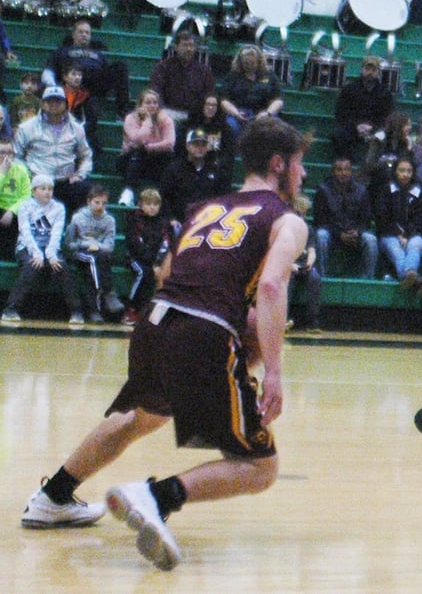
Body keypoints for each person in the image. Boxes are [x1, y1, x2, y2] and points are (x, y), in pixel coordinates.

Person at [17, 116, 308, 571]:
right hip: (203, 331)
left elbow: (167, 273)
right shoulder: (286, 219)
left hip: (155, 320)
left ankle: (52, 497)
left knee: (140, 416)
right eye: (299, 164)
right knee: (259, 467)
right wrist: (272, 369)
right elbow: (271, 289)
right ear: (278, 164)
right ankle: (155, 497)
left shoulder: (205, 207)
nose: (303, 174)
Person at [1, 174, 81, 323]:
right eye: (43, 188)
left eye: (50, 188)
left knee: (62, 267)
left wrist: (50, 255)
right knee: (32, 265)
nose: (47, 192)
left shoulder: (59, 208)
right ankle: (10, 308)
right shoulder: (25, 206)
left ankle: (76, 311)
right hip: (26, 246)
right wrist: (37, 253)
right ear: (33, 191)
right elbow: (25, 232)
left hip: (50, 247)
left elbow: (57, 234)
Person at [13, 85, 94, 213]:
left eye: (58, 101)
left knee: (87, 190)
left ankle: (75, 230)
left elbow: (86, 155)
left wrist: (80, 174)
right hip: (37, 180)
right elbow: (16, 156)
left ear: (65, 104)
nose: (54, 104)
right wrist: (28, 174)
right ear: (43, 104)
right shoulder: (27, 127)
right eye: (49, 101)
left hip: (66, 181)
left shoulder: (76, 128)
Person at [42, 18, 129, 116]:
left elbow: (106, 70)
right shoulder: (62, 51)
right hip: (73, 82)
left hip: (95, 84)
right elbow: (49, 71)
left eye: (87, 33)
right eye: (81, 32)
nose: (84, 35)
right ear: (73, 34)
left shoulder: (98, 53)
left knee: (120, 67)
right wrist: (54, 86)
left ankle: (123, 110)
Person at [66, 184, 126, 322]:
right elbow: (69, 245)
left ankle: (94, 310)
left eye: (103, 203)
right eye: (97, 202)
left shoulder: (110, 220)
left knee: (94, 267)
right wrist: (86, 244)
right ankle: (109, 293)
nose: (100, 206)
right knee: (94, 261)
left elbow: (109, 247)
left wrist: (97, 246)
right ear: (88, 201)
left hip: (99, 256)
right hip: (80, 253)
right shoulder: (78, 218)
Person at [313, 157, 379, 279]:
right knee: (321, 235)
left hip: (354, 234)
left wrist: (357, 232)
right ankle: (321, 278)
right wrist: (339, 234)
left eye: (347, 169)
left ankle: (366, 281)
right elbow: (319, 220)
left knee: (371, 240)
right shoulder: (323, 190)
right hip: (331, 233)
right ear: (333, 172)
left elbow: (366, 219)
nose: (343, 173)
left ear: (351, 171)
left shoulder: (362, 191)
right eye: (339, 170)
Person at [372, 156, 422, 288]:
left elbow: (420, 219)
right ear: (395, 171)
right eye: (402, 170)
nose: (405, 174)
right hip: (388, 235)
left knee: (417, 244)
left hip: (411, 234)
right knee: (397, 250)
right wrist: (398, 234)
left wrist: (407, 235)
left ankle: (408, 275)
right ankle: (415, 280)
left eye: (409, 171)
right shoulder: (386, 190)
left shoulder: (419, 191)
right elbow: (382, 218)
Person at [158, 129, 229, 230]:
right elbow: (164, 196)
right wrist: (171, 219)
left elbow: (223, 196)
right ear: (187, 146)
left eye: (203, 145)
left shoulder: (215, 169)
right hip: (180, 222)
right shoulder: (174, 169)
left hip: (208, 223)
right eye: (196, 144)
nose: (200, 148)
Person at [330, 56, 395, 162]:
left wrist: (372, 127)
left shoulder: (385, 93)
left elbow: (387, 117)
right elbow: (341, 113)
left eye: (373, 70)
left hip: (376, 129)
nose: (370, 72)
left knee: (388, 138)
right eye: (367, 69)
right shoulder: (349, 89)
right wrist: (356, 125)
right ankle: (347, 164)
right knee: (339, 135)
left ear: (378, 72)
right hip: (353, 128)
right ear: (362, 69)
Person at [117, 89, 177, 206]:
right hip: (129, 159)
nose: (152, 106)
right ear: (140, 104)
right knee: (138, 152)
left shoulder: (165, 119)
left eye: (155, 103)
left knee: (168, 156)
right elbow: (138, 140)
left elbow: (170, 143)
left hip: (154, 159)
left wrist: (149, 147)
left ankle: (162, 197)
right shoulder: (130, 118)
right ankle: (128, 191)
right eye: (148, 102)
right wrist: (147, 120)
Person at [123, 188, 171, 324]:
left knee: (162, 275)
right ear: (141, 205)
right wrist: (151, 263)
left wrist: (158, 263)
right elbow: (135, 245)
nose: (152, 207)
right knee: (142, 273)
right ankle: (130, 308)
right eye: (149, 204)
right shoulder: (134, 221)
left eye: (155, 204)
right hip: (135, 258)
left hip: (155, 261)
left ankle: (152, 310)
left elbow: (166, 244)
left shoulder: (163, 223)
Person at [148, 30, 213, 124]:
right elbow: (156, 91)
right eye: (185, 45)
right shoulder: (163, 67)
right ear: (176, 47)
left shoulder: (204, 71)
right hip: (169, 111)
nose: (189, 49)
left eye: (191, 45)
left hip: (195, 114)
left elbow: (209, 94)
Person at [220, 45, 284, 137]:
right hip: (238, 112)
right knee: (230, 126)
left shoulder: (270, 75)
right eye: (246, 63)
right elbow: (224, 100)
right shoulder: (232, 76)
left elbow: (278, 100)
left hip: (264, 112)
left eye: (252, 63)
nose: (249, 66)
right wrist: (235, 113)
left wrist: (268, 113)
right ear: (241, 62)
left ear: (259, 61)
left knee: (273, 128)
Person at [179, 93, 236, 183]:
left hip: (214, 168)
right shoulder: (187, 125)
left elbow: (228, 154)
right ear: (202, 105)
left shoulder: (225, 129)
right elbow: (180, 149)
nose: (210, 108)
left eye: (214, 105)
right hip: (190, 166)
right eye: (208, 104)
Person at [287, 194, 322, 333]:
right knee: (288, 279)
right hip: (288, 265)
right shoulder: (284, 228)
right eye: (298, 213)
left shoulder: (308, 229)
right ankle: (283, 319)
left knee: (315, 278)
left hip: (303, 264)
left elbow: (312, 250)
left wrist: (309, 263)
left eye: (304, 214)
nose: (301, 217)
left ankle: (312, 321)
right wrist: (290, 265)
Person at [364, 110, 413, 194]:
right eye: (407, 125)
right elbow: (370, 165)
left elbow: (405, 165)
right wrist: (387, 163)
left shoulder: (406, 142)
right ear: (398, 125)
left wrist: (409, 149)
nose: (410, 127)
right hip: (375, 181)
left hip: (395, 181)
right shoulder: (379, 139)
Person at [0, 139, 32, 253]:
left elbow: (27, 195)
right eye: (2, 152)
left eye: (9, 153)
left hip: (15, 210)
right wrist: (2, 173)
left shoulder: (21, 170)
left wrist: (12, 211)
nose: (6, 156)